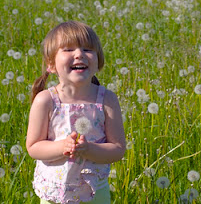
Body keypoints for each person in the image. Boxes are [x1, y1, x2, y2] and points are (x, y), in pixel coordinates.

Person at [26, 21, 126, 204]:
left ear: (99, 61)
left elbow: (118, 149)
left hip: (96, 193)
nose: (79, 54)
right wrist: (62, 147)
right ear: (51, 64)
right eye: (68, 49)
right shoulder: (45, 100)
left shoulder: (107, 100)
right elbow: (33, 147)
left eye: (88, 49)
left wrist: (89, 149)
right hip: (54, 195)